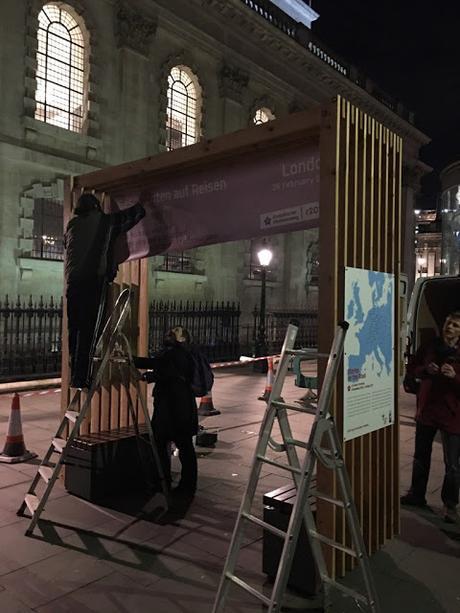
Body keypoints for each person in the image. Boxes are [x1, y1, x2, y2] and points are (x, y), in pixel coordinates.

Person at [64, 193, 145, 389]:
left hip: (72, 284)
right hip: (93, 283)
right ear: (96, 208)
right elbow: (130, 217)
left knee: (74, 331)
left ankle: (76, 376)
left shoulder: (72, 226)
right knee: (90, 331)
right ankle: (83, 378)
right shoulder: (103, 222)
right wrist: (145, 203)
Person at [401, 311, 460, 523]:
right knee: (420, 457)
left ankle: (450, 506)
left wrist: (454, 377)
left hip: (452, 416)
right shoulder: (430, 346)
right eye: (447, 323)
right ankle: (417, 496)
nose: (449, 327)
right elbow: (412, 367)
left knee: (452, 465)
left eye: (454, 324)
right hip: (427, 412)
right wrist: (426, 369)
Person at [134, 326, 198, 499]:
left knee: (164, 443)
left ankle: (163, 481)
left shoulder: (175, 353)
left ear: (183, 338)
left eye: (175, 331)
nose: (169, 333)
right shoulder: (183, 353)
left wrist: (134, 363)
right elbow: (165, 370)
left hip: (171, 407)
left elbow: (159, 366)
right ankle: (185, 483)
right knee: (183, 446)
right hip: (180, 405)